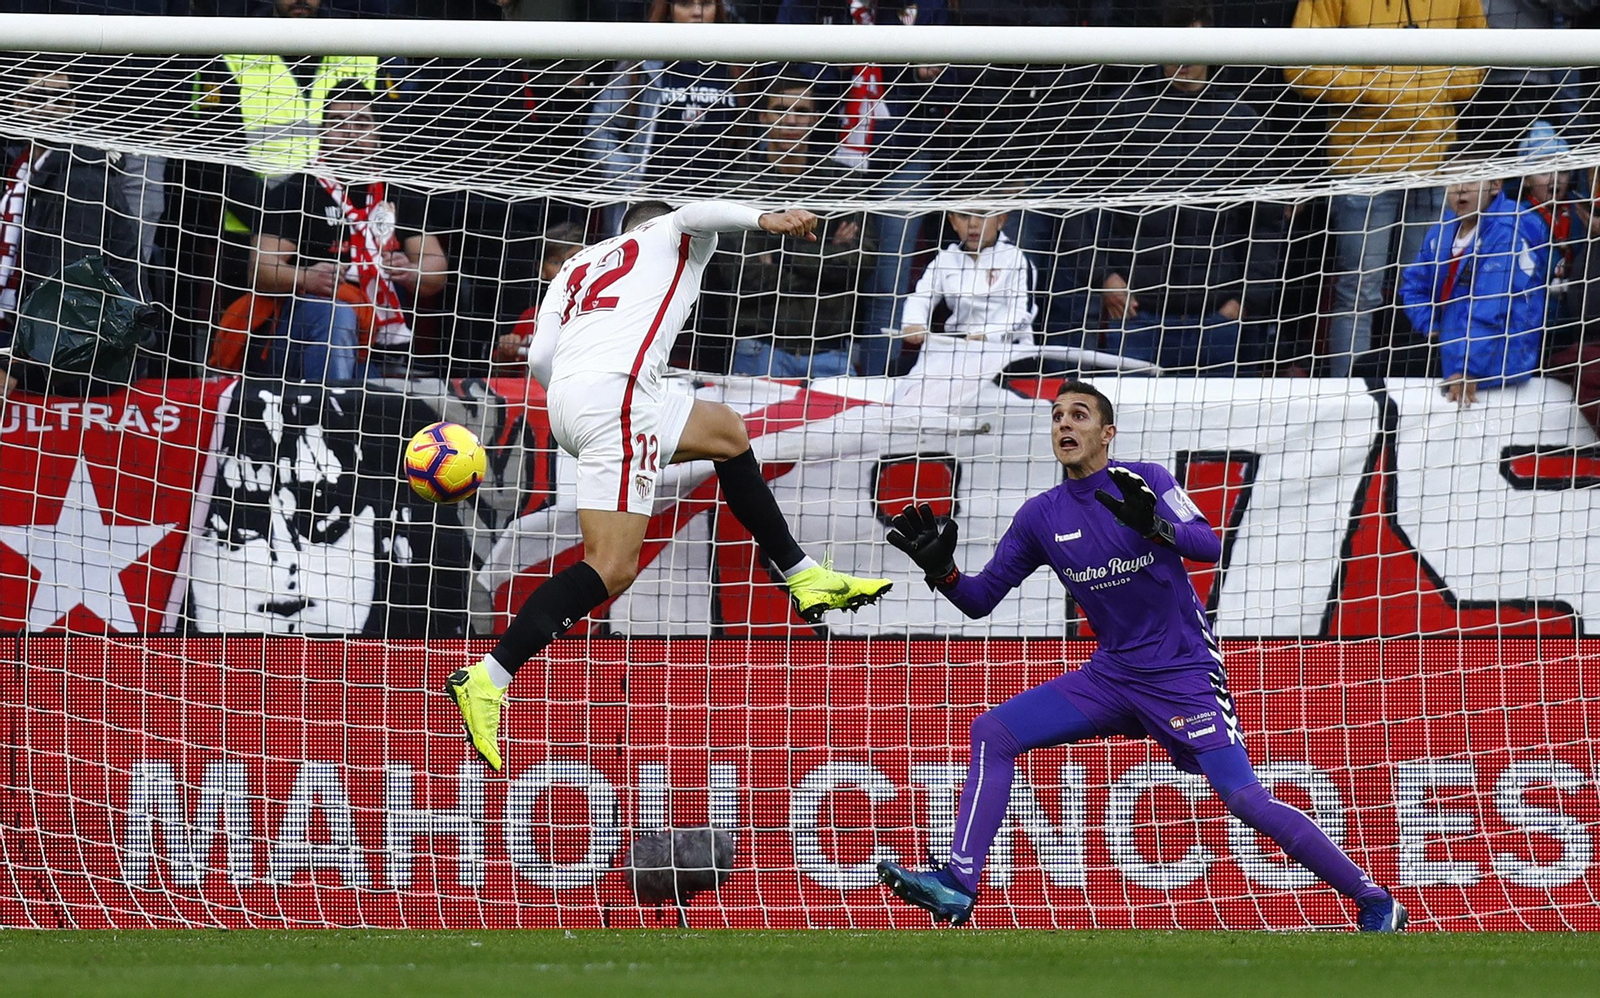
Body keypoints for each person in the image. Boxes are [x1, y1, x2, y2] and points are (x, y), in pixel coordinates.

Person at [875, 381, 1408, 932]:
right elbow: (979, 600)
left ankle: (1374, 899)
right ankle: (958, 884)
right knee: (995, 731)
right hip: (1113, 675)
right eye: (1057, 416)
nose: (1064, 424)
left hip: (1181, 673)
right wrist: (941, 571)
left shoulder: (1146, 481)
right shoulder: (1040, 516)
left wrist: (1152, 525)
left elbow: (1208, 544)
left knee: (1245, 798)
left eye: (1078, 415)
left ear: (1106, 433)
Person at [446, 200, 893, 772]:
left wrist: (580, 412)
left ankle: (804, 577)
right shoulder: (665, 234)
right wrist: (764, 219)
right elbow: (690, 214)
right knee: (612, 566)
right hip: (621, 394)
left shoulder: (577, 265)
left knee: (727, 432)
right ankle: (490, 676)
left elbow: (540, 355)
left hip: (574, 397)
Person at [1285, 0, 1485, 376]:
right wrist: (1382, 87)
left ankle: (1418, 388)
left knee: (1427, 289)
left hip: (1431, 164)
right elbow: (1301, 67)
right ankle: (1349, 399)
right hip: (1362, 165)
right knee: (1359, 292)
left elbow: (1480, 58)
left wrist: (1432, 86)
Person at [1084, 35, 1284, 374]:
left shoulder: (1240, 120)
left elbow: (1266, 220)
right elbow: (1087, 205)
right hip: (1136, 315)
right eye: (1174, 49)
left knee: (1218, 426)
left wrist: (1246, 300)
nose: (1184, 61)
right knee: (1130, 424)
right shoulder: (1121, 112)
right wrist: (1104, 276)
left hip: (1218, 318)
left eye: (1193, 48)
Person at [246, 82, 449, 382]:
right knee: (337, 315)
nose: (351, 132)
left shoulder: (400, 193)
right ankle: (334, 413)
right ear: (321, 135)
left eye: (362, 123)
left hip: (380, 342)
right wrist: (306, 277)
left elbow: (437, 271)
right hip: (301, 332)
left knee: (372, 383)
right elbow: (259, 270)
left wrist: (411, 271)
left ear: (378, 135)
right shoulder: (297, 190)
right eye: (338, 123)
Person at [719, 79, 865, 379]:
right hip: (759, 348)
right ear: (763, 117)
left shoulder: (844, 185)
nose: (792, 121)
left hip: (832, 351)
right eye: (781, 111)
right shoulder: (738, 186)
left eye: (802, 111)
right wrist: (825, 256)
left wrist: (780, 252)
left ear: (815, 118)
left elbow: (857, 265)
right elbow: (741, 275)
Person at [585, 0, 745, 236]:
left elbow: (749, 139)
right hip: (652, 208)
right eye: (685, 4)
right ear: (668, 9)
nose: (697, 12)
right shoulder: (641, 65)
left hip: (714, 208)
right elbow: (599, 130)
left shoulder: (735, 66)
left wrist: (732, 190)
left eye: (706, 3)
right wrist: (632, 181)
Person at [1398, 177, 1549, 408]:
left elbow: (1490, 308)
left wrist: (1468, 369)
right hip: (1451, 352)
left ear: (1496, 185)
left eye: (1470, 180)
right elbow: (1413, 286)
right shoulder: (1443, 230)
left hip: (1496, 366)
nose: (1460, 188)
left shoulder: (1507, 230)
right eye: (1453, 181)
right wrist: (1429, 324)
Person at [901, 208, 1037, 349]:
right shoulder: (946, 258)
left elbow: (1023, 314)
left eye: (982, 215)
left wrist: (988, 336)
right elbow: (922, 296)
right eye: (964, 216)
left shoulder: (1015, 258)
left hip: (1007, 348)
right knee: (900, 369)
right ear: (953, 222)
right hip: (958, 345)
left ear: (1000, 220)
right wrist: (914, 322)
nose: (972, 224)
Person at [494, 220, 588, 369]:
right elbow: (503, 376)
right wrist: (507, 352)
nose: (566, 268)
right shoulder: (530, 318)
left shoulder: (603, 312)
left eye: (574, 259)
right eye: (556, 262)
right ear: (541, 269)